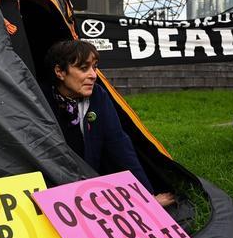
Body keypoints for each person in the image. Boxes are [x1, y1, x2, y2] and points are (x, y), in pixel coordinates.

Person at [43, 40, 175, 206]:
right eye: (84, 68)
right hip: (54, 190)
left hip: (89, 184)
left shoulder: (98, 95)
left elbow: (119, 145)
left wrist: (146, 197)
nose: (93, 75)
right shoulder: (39, 99)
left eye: (95, 67)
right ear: (60, 72)